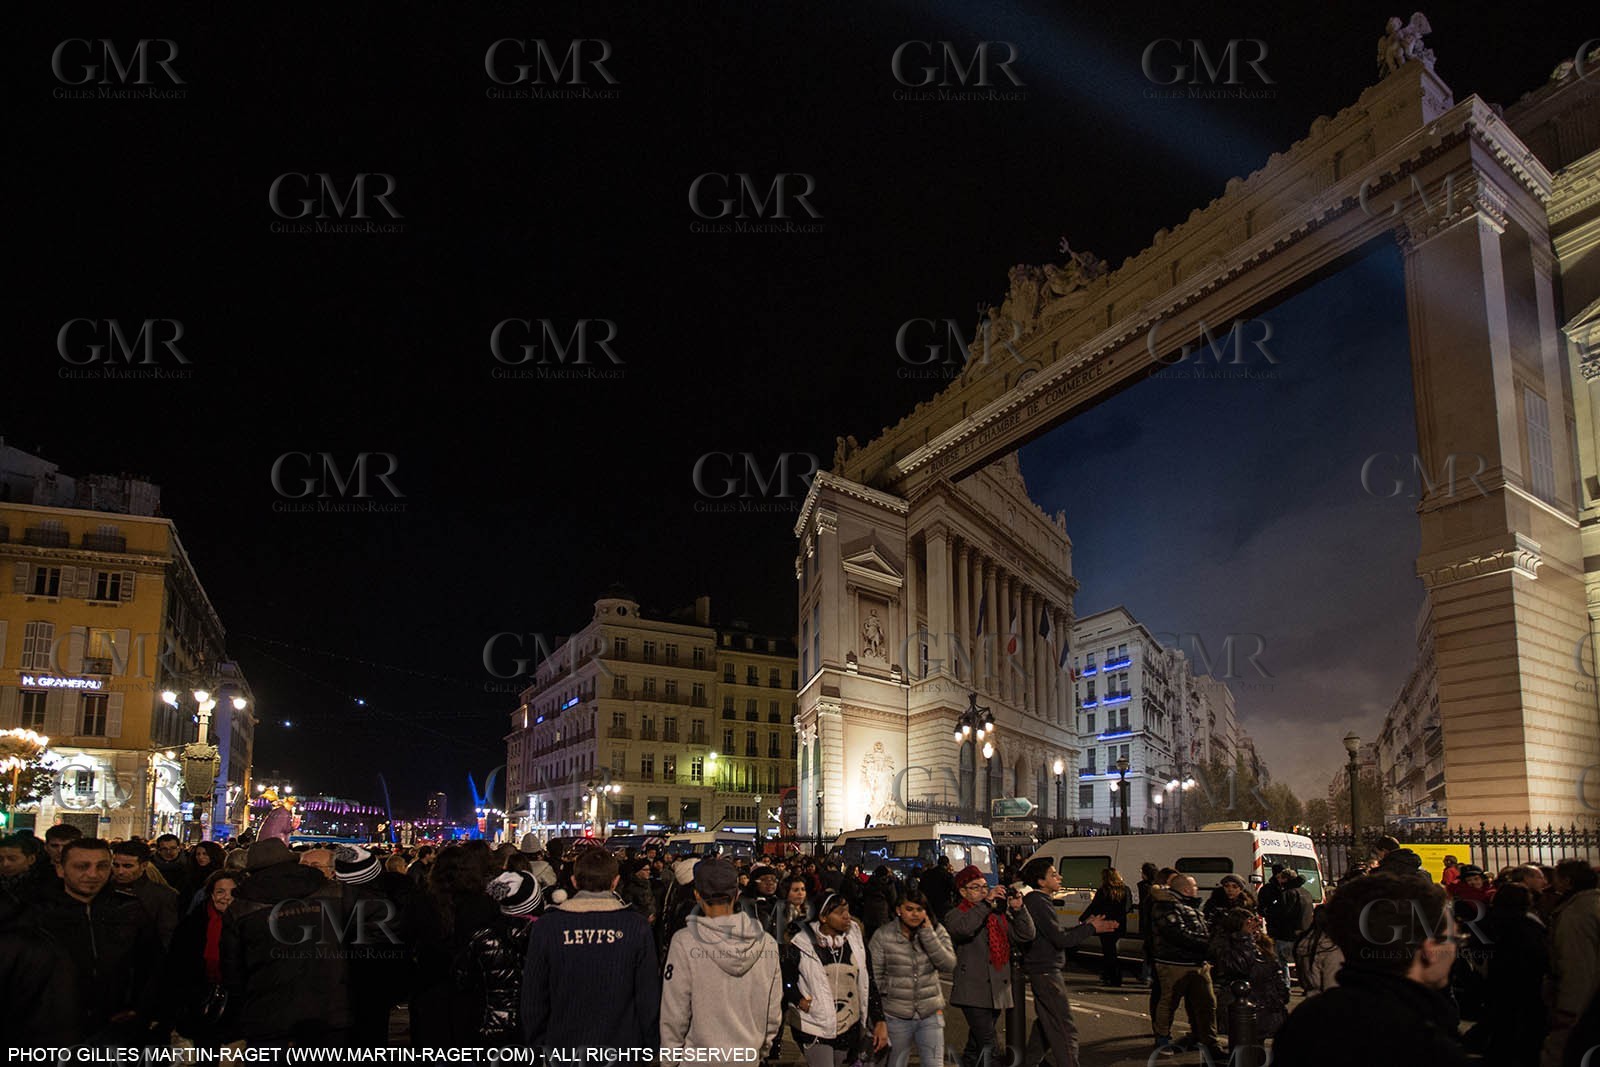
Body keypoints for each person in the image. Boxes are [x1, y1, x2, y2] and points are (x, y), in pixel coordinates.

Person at [1273, 874, 1467, 1066]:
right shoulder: (1426, 1044)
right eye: (1454, 939)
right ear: (1429, 950)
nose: (1455, 950)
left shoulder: (1307, 1020)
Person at [522, 847, 660, 1057]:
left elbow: (534, 996)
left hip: (563, 1047)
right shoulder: (636, 926)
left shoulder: (548, 926)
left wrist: (538, 1046)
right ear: (615, 882)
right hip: (621, 1049)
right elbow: (648, 996)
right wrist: (649, 1047)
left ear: (575, 881)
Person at [221, 836, 357, 1046]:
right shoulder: (334, 893)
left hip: (267, 1013)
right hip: (330, 1009)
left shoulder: (241, 908)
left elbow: (233, 971)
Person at [34, 837, 161, 1044]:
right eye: (82, 866)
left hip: (116, 1027)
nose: (92, 874)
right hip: (52, 1031)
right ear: (61, 869)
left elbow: (151, 963)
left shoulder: (130, 910)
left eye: (101, 866)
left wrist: (139, 1007)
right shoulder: (37, 915)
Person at [660, 858, 783, 1061]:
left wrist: (669, 1058)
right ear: (736, 894)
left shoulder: (685, 941)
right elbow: (773, 1009)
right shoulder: (767, 943)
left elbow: (674, 1012)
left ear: (697, 895)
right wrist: (761, 1050)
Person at [1019, 858, 1118, 1067]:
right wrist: (1091, 928)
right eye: (1053, 874)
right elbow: (1061, 939)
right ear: (1041, 881)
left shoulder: (1039, 901)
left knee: (1046, 1026)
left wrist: (1088, 926)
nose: (1059, 877)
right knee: (1065, 1029)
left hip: (1044, 970)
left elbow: (1058, 935)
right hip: (1046, 971)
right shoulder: (1038, 902)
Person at [945, 866, 1035, 1067]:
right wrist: (986, 904)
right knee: (990, 1046)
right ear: (963, 892)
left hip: (996, 990)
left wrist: (1019, 909)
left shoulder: (996, 915)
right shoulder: (956, 915)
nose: (983, 891)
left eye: (985, 886)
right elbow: (963, 930)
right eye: (975, 887)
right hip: (972, 991)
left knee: (976, 1045)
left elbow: (1025, 935)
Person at [786, 892, 888, 1067]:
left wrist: (879, 1019)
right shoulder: (801, 944)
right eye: (840, 912)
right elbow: (786, 980)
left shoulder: (856, 942)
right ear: (823, 917)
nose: (847, 916)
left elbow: (868, 982)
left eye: (847, 910)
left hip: (849, 1027)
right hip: (815, 1026)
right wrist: (800, 1001)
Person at [869, 888, 957, 1067]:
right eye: (909, 909)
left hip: (930, 1013)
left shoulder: (936, 930)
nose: (915, 914)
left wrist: (928, 934)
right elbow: (874, 978)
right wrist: (879, 1015)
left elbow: (948, 964)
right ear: (898, 910)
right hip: (895, 1015)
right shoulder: (883, 935)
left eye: (920, 909)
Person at [162, 871, 240, 1048]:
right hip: (200, 1000)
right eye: (220, 891)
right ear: (211, 894)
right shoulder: (192, 923)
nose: (226, 897)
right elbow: (176, 965)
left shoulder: (249, 924)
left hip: (237, 1003)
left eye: (232, 892)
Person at [1149, 873, 1220, 1058]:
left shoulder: (1191, 905)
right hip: (1174, 963)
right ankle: (1162, 1039)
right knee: (1169, 1002)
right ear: (1186, 889)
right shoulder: (1166, 906)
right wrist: (1209, 944)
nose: (1197, 887)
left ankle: (1208, 1041)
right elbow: (1178, 934)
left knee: (1207, 1003)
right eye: (1194, 885)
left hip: (1198, 962)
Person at [1544, 859, 1600, 1067]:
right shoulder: (1591, 904)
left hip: (1582, 1004)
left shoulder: (1576, 914)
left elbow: (1577, 963)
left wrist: (1569, 1008)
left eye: (1556, 879)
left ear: (1568, 881)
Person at [1208, 908, 1287, 1041]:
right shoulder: (1227, 946)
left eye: (1255, 926)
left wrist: (1281, 993)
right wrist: (1245, 938)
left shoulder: (1261, 945)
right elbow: (1241, 967)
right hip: (1243, 1007)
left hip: (1265, 1005)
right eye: (1249, 926)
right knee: (1245, 1047)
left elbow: (1273, 970)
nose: (1254, 930)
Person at [110, 840, 180, 948]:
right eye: (116, 865)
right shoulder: (103, 889)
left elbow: (166, 936)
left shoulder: (163, 896)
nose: (120, 871)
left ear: (143, 866)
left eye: (127, 866)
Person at [1260, 865, 1312, 985]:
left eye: (1281, 878)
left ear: (1285, 879)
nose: (1279, 880)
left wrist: (1269, 913)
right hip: (1302, 932)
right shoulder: (1305, 892)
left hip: (1286, 933)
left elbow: (1282, 913)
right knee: (1301, 961)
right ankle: (1307, 984)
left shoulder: (1288, 893)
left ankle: (1285, 985)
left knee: (1281, 961)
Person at [1082, 867, 1131, 986]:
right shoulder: (1125, 889)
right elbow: (1128, 907)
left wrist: (1083, 918)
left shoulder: (1103, 890)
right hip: (1119, 924)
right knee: (1112, 951)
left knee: (1108, 951)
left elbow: (1094, 906)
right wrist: (1118, 919)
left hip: (1105, 924)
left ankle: (1112, 977)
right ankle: (1113, 976)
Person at [1293, 901, 1342, 995]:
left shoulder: (1303, 941)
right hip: (1328, 998)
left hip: (1311, 994)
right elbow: (1331, 982)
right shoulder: (1330, 946)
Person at [860, 865, 900, 938]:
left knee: (869, 935)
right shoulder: (888, 883)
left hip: (868, 912)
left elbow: (863, 895)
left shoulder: (870, 882)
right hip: (882, 913)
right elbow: (893, 899)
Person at [151, 834, 193, 900]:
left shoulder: (190, 866)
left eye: (173, 848)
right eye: (164, 849)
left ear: (179, 849)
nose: (168, 852)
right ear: (158, 850)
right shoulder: (149, 867)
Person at [920, 856, 956, 921]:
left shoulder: (927, 874)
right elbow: (954, 888)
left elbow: (920, 888)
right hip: (943, 904)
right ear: (947, 864)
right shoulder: (947, 875)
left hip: (929, 903)